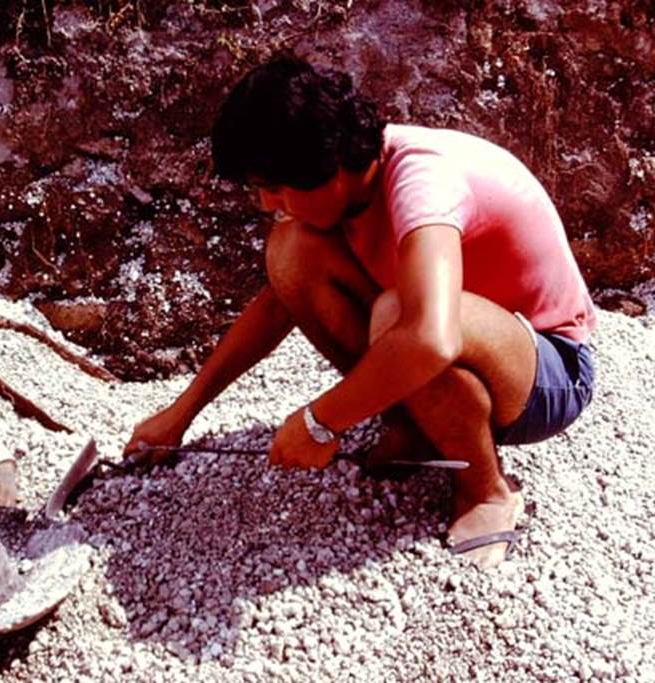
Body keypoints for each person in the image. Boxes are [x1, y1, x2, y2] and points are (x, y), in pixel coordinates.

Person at [123, 56, 596, 569]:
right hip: (470, 342)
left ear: (329, 168)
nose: (266, 202)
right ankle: (417, 426)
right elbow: (278, 305)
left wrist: (320, 422)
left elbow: (430, 338)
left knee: (403, 318)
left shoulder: (422, 181)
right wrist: (180, 414)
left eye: (277, 186)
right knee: (291, 251)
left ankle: (485, 489)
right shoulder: (352, 187)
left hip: (549, 372)